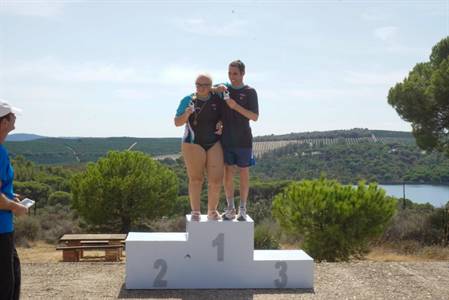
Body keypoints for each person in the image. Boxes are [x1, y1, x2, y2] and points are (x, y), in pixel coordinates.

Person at [174, 74, 224, 221]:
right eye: (198, 84)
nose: (201, 88)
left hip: (214, 141)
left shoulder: (217, 99)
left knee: (216, 180)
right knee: (196, 179)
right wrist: (187, 113)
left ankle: (212, 210)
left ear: (211, 86)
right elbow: (177, 122)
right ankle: (195, 211)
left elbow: (222, 115)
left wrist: (221, 123)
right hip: (193, 142)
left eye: (205, 85)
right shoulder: (187, 100)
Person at [215, 60, 259, 221]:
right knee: (228, 174)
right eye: (229, 73)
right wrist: (216, 88)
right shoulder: (224, 89)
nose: (232, 77)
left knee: (244, 174)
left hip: (243, 140)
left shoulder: (250, 92)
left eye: (235, 73)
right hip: (226, 139)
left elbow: (254, 117)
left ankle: (243, 209)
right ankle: (230, 208)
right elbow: (206, 89)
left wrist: (235, 106)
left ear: (242, 74)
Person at [0, 101, 29, 300]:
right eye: (12, 116)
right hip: (1, 230)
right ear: (3, 121)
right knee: (5, 287)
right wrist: (15, 207)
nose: (15, 118)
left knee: (13, 276)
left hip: (4, 230)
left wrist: (11, 196)